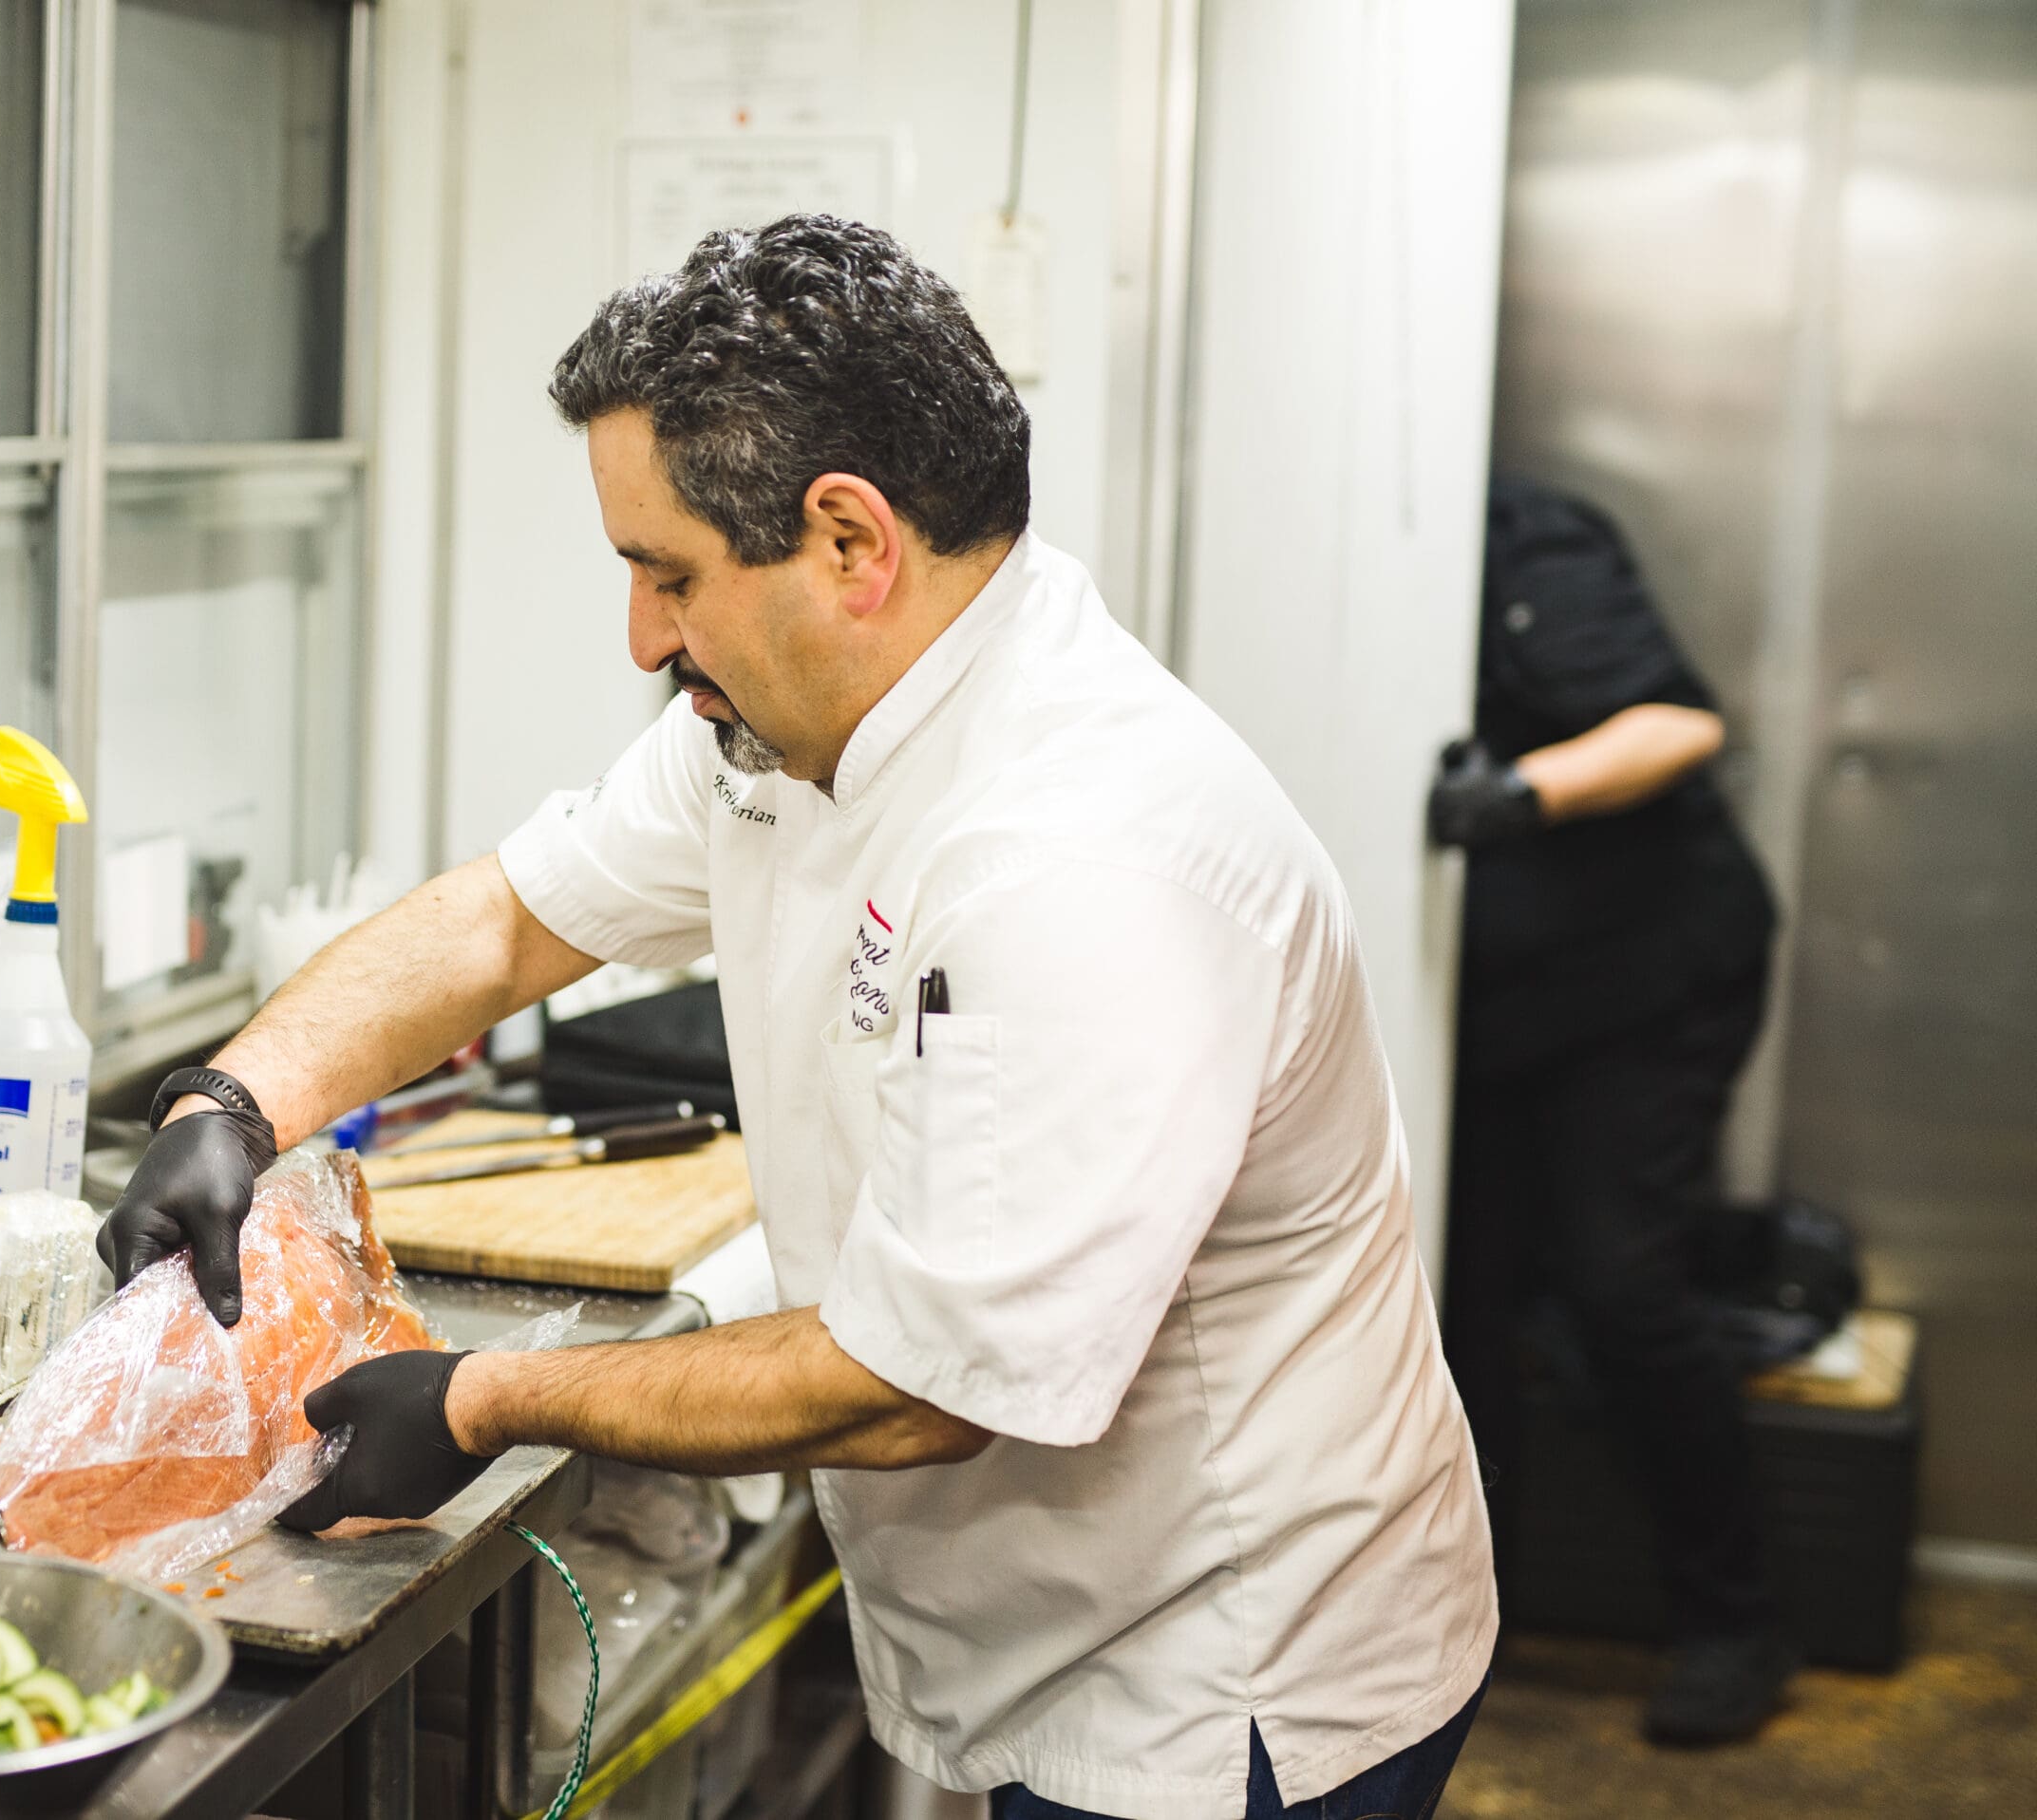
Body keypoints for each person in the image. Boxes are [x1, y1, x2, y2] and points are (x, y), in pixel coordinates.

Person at [103, 216, 1497, 1820]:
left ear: (851, 539)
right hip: (1068, 1625)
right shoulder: (777, 729)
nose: (641, 637)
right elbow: (505, 920)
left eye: (669, 573)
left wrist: (480, 1395)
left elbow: (923, 1385)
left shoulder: (1085, 852)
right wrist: (232, 1096)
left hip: (1229, 1685)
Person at [1430, 474, 1788, 1747]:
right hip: (1506, 999)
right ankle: (1474, 1615)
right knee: (1455, 1297)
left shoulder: (1518, 537)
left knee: (1622, 1283)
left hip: (1651, 975)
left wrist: (1516, 795)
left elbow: (1676, 723)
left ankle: (1732, 1622)